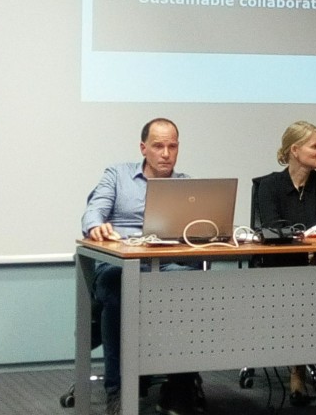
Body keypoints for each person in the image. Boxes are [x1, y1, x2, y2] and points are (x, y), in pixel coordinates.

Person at [81, 118, 201, 415]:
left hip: (168, 264)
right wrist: (96, 226)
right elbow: (94, 211)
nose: (166, 154)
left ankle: (179, 387)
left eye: (172, 146)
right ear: (143, 148)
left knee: (191, 285)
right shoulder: (118, 175)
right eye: (158, 146)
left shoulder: (186, 184)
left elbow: (199, 230)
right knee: (118, 288)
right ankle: (118, 390)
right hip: (121, 262)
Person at [255, 121, 316, 406]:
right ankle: (297, 372)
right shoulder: (269, 186)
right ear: (295, 150)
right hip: (283, 269)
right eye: (315, 146)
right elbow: (274, 232)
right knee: (297, 291)